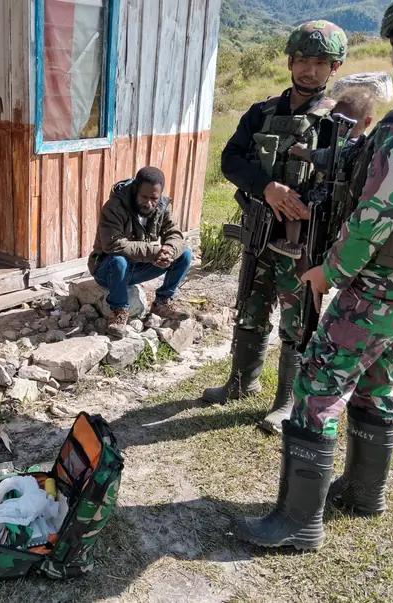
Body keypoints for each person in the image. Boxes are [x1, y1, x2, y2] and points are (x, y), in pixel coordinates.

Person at [230, 0, 393, 551]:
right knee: (380, 378)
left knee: (319, 382)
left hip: (384, 282)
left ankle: (296, 523)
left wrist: (329, 271)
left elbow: (372, 217)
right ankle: (364, 494)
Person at [201, 21, 348, 435]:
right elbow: (231, 160)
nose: (309, 70)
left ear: (333, 68)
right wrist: (266, 187)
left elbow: (347, 184)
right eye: (302, 60)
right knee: (250, 304)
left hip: (302, 239)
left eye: (320, 62)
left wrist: (308, 205)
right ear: (289, 61)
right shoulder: (261, 113)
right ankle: (240, 381)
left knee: (297, 320)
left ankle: (286, 402)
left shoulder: (337, 122)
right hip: (260, 230)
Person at [88, 167, 192, 337]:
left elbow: (175, 234)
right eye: (144, 197)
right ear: (135, 190)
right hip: (107, 270)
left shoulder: (162, 207)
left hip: (137, 267)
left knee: (185, 254)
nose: (149, 203)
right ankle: (118, 313)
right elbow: (113, 245)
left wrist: (168, 250)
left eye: (154, 198)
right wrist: (155, 251)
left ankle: (162, 302)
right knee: (118, 260)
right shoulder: (114, 207)